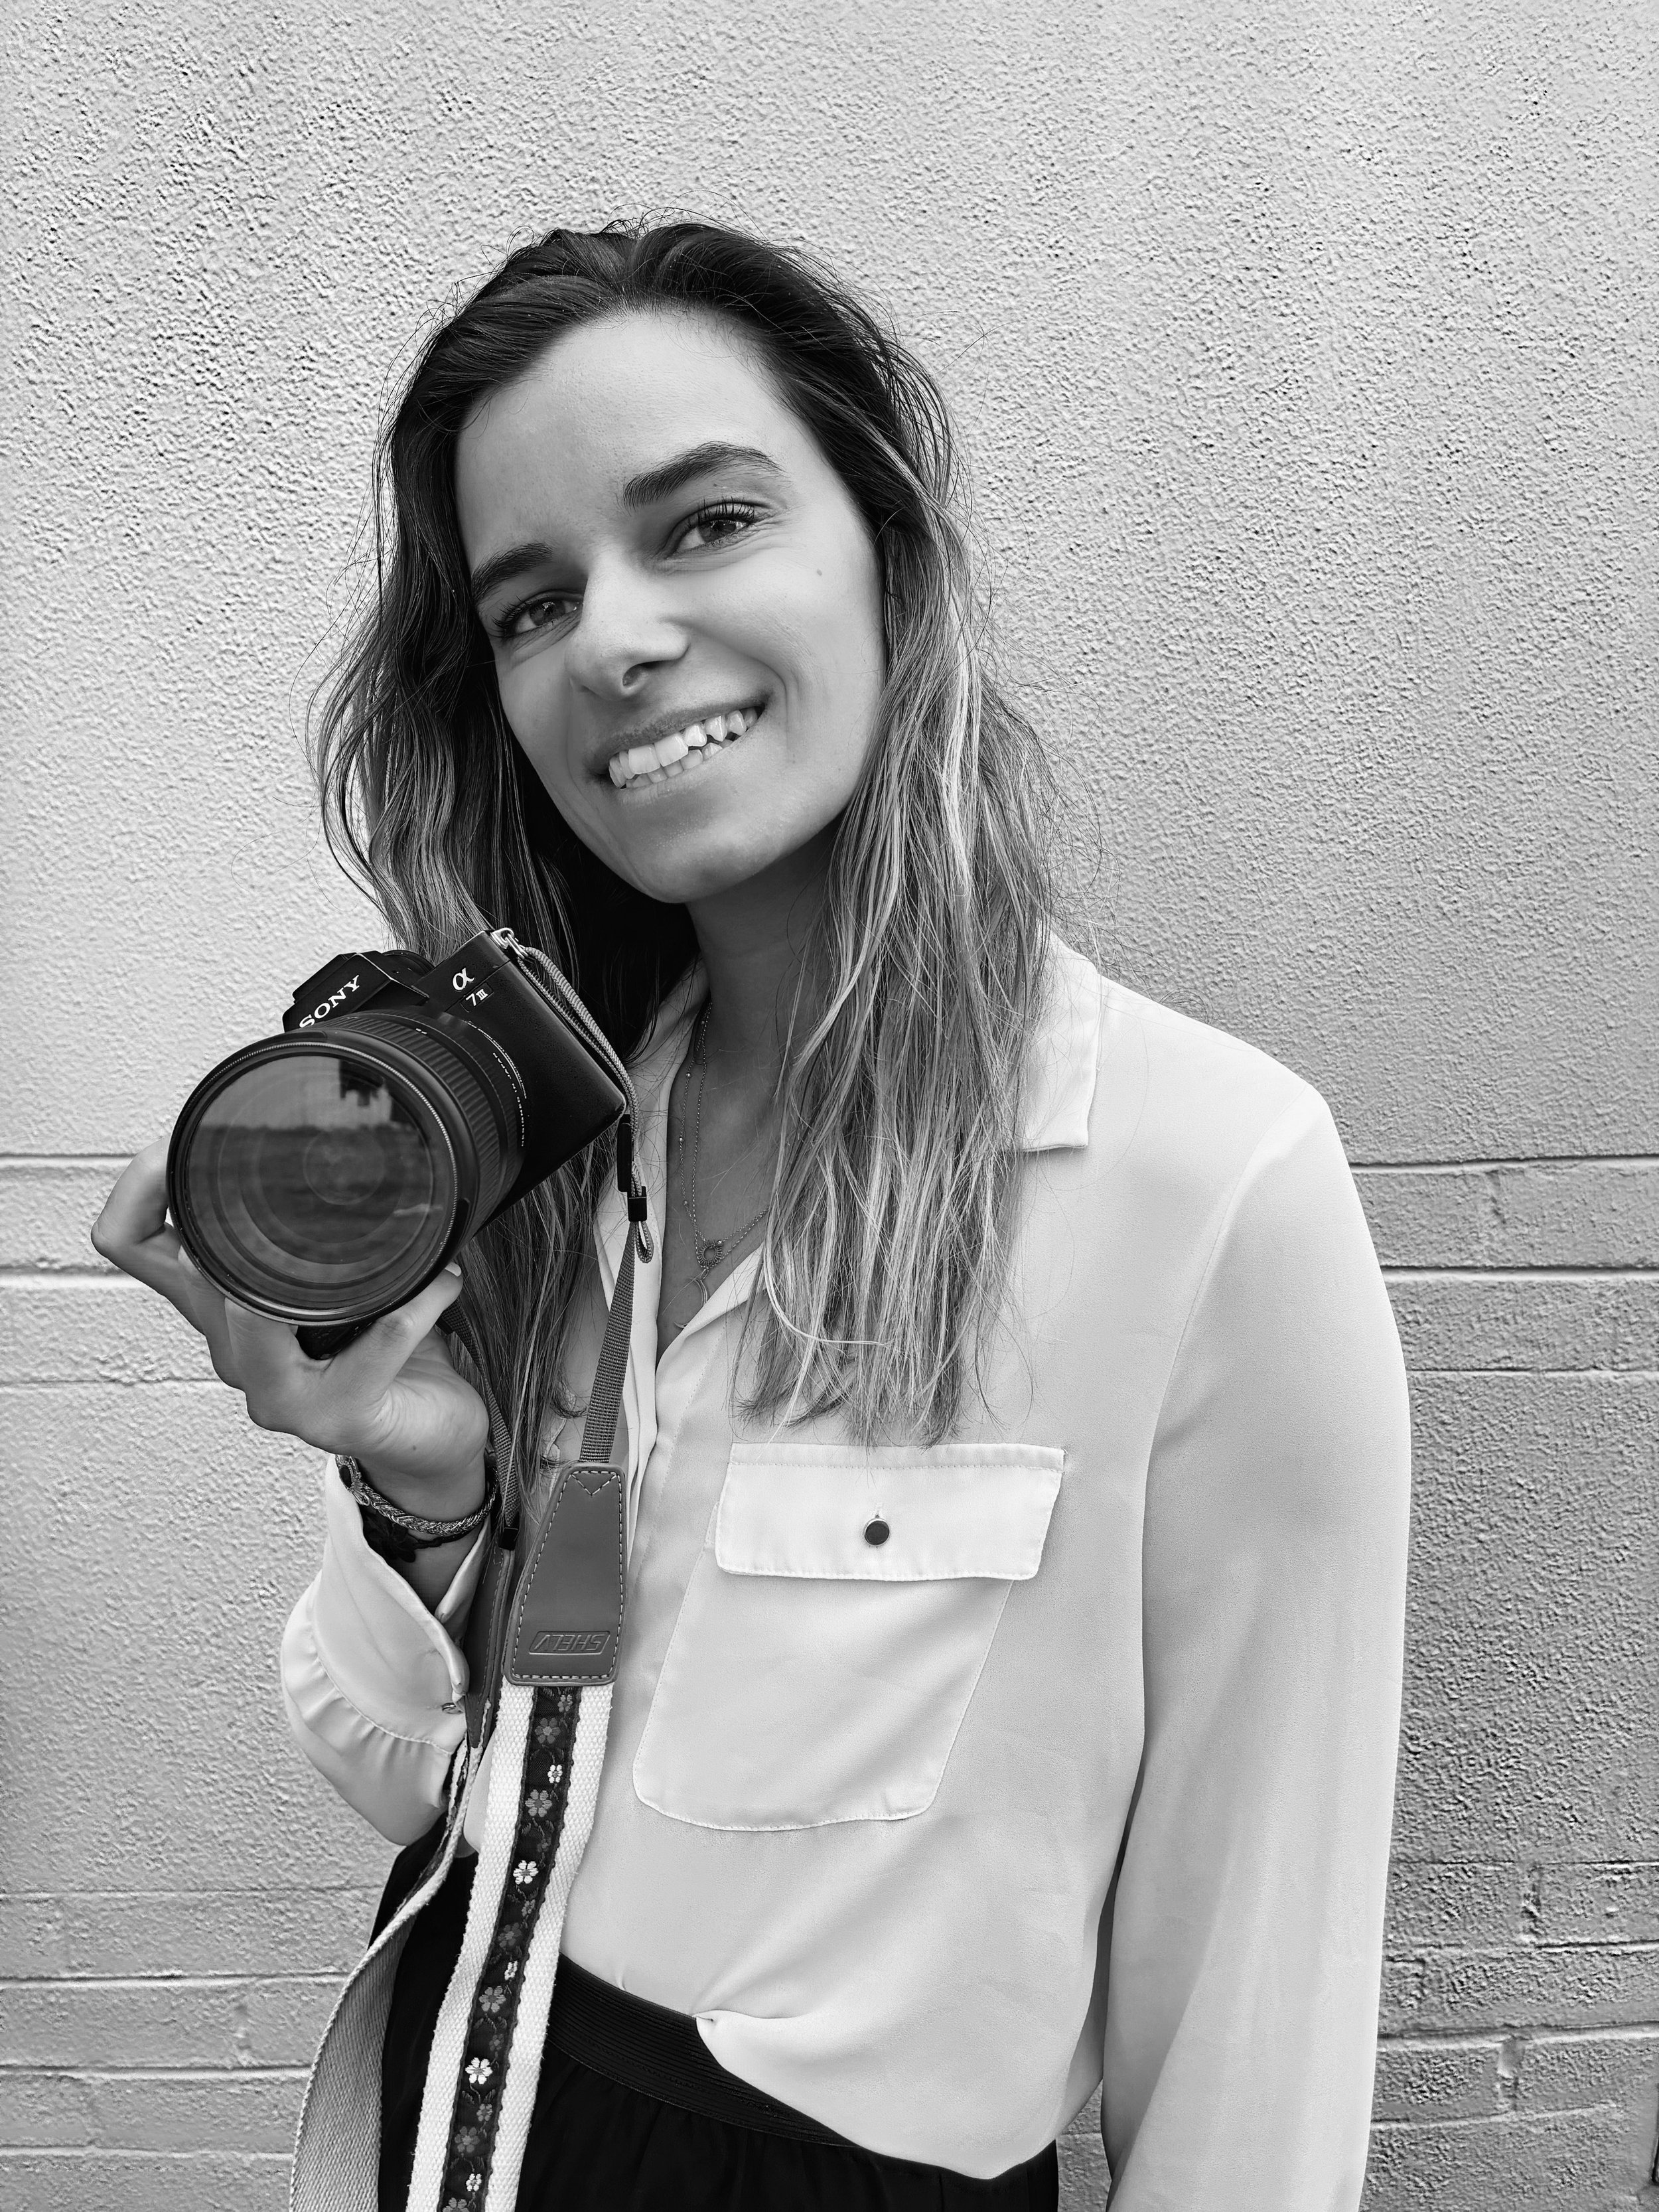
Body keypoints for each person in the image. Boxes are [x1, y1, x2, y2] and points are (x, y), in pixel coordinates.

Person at [92, 218, 1411, 2212]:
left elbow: (1255, 2053)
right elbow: (395, 1766)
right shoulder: (552, 1154)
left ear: (886, 553)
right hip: (438, 2105)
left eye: (700, 523)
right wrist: (414, 1488)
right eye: (529, 605)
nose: (611, 640)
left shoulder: (1201, 1183)